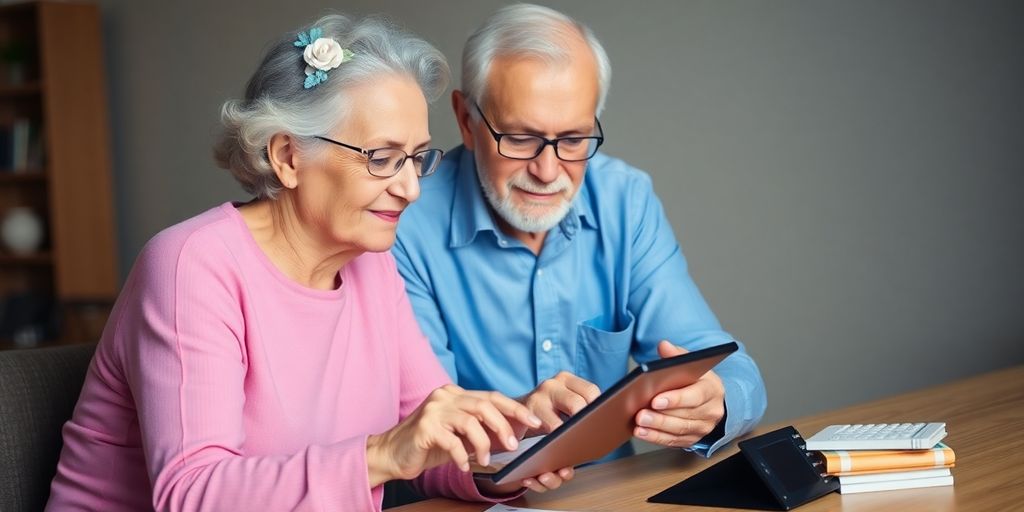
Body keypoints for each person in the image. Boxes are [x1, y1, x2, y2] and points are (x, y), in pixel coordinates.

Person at [46, 14, 574, 512]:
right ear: (288, 156)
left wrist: (518, 439)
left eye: (416, 158)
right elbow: (191, 494)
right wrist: (383, 452)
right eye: (382, 158)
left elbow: (427, 448)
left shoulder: (372, 265)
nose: (411, 188)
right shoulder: (192, 265)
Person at [393, 3, 767, 461]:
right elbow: (421, 429)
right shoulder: (404, 223)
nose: (548, 171)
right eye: (519, 138)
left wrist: (717, 401)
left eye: (573, 140)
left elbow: (728, 365)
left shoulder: (624, 200)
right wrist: (519, 422)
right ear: (467, 121)